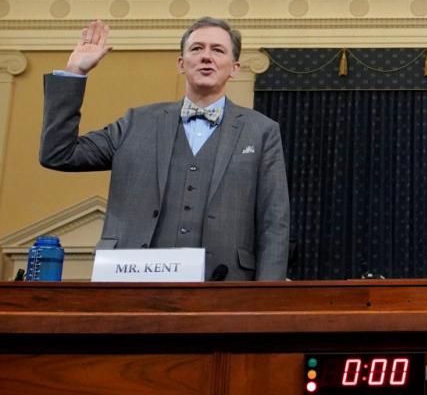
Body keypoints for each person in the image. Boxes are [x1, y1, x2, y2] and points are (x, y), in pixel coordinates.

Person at [39, 18, 290, 281]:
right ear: (181, 63)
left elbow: (274, 222)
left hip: (223, 286)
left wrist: (267, 293)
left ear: (234, 68)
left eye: (218, 50)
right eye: (196, 48)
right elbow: (59, 154)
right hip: (133, 283)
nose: (206, 56)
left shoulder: (261, 131)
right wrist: (75, 72)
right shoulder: (136, 122)